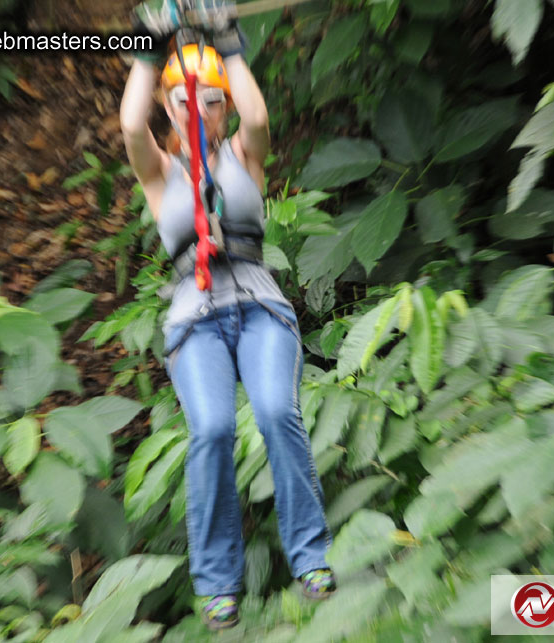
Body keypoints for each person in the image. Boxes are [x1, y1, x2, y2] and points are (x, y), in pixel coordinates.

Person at [120, 0, 336, 631]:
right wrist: (148, 46)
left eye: (213, 100)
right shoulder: (159, 173)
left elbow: (260, 114)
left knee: (275, 411)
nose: (201, 109)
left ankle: (310, 557)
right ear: (170, 104)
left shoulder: (245, 154)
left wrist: (228, 42)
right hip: (196, 318)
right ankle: (218, 583)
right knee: (211, 430)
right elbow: (132, 127)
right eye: (188, 100)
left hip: (259, 306)